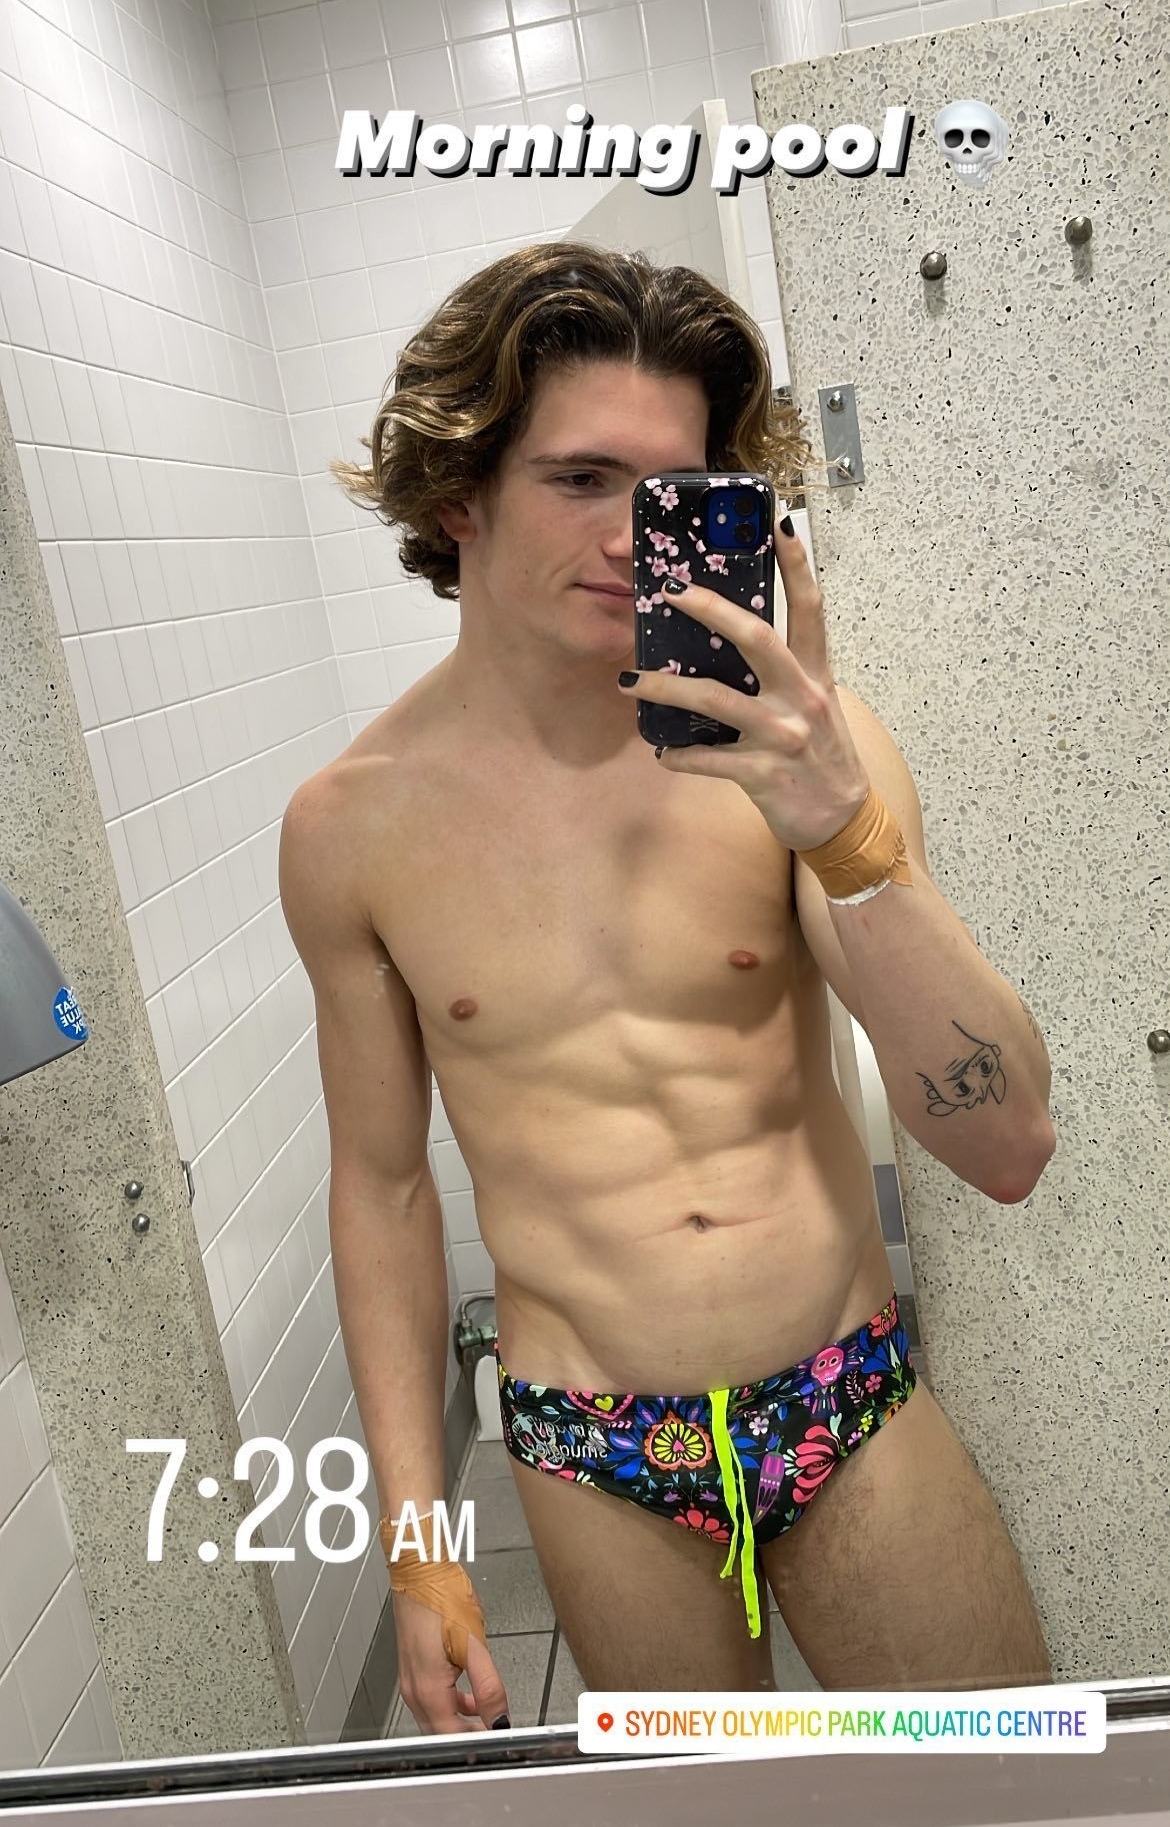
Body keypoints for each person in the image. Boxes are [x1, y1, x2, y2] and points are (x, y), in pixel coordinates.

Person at [279, 242, 1055, 1735]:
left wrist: (844, 833)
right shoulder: (350, 829)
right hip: (591, 1443)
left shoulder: (798, 759)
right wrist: (420, 1547)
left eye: (673, 491)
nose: (635, 536)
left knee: (1004, 1798)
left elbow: (1008, 1145)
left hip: (840, 1394)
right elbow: (380, 1190)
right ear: (459, 492)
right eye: (582, 480)